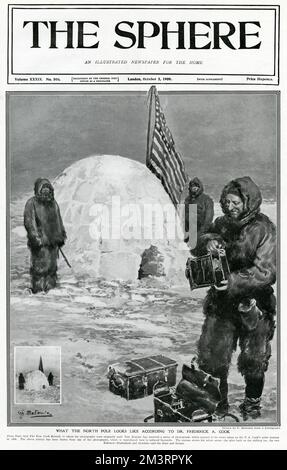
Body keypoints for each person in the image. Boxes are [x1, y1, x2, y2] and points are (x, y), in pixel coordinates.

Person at [191, 176, 276, 420]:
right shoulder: (222, 224)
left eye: (235, 202)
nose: (230, 207)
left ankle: (251, 404)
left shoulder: (264, 229)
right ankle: (218, 403)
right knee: (213, 356)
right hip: (222, 303)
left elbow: (267, 271)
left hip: (254, 304)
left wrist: (235, 280)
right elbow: (199, 243)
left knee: (254, 358)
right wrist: (209, 243)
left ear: (248, 202)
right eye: (226, 202)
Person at [24, 178, 67, 293]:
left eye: (48, 188)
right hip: (40, 243)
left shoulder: (54, 204)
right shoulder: (31, 203)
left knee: (51, 267)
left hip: (53, 242)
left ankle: (50, 289)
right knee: (39, 268)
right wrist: (36, 239)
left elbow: (58, 221)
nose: (46, 191)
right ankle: (38, 290)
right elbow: (30, 223)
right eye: (43, 188)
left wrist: (60, 236)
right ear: (38, 190)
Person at [184, 177, 214, 244]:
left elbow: (208, 218)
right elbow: (185, 215)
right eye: (192, 186)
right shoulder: (188, 200)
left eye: (196, 186)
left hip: (202, 231)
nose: (194, 188)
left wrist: (201, 232)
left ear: (200, 187)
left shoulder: (206, 199)